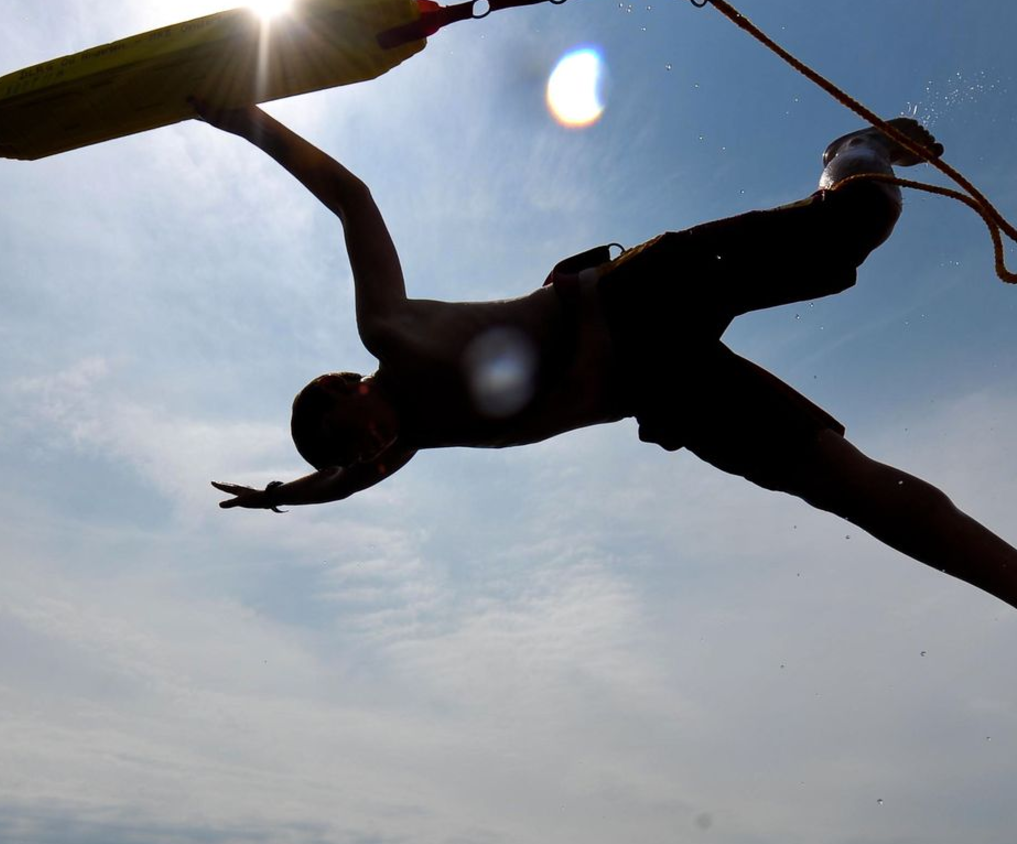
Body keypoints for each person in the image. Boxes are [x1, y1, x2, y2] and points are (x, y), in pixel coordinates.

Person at [192, 99, 1017, 609]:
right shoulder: (407, 442)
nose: (364, 449)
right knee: (850, 487)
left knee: (856, 223)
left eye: (350, 427)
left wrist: (247, 120)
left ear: (347, 382)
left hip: (638, 295)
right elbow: (341, 481)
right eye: (353, 453)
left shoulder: (390, 331)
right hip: (661, 389)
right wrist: (281, 498)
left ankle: (855, 149)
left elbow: (353, 199)